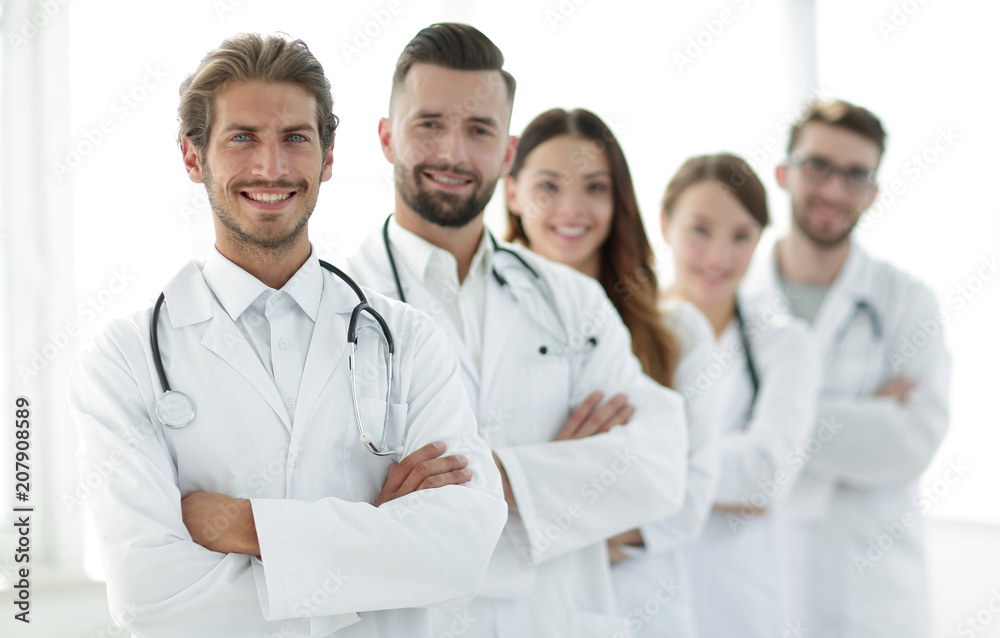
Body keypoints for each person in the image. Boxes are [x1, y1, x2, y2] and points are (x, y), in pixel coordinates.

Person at [68, 33, 507, 638]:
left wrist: (245, 526)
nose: (270, 168)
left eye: (295, 138)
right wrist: (376, 543)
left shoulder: (409, 340)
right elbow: (147, 593)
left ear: (328, 157)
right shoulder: (122, 359)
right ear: (194, 158)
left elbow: (462, 547)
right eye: (242, 137)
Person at [346, 23, 689, 637]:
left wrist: (486, 477)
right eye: (429, 124)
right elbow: (333, 497)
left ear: (506, 154)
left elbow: (660, 463)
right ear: (386, 137)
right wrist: (559, 472)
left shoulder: (571, 300)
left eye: (478, 130)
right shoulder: (335, 302)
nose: (453, 152)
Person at [503, 107, 720, 637]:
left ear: (618, 199)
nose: (572, 208)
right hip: (516, 611)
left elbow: (686, 501)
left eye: (595, 188)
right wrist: (588, 478)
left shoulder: (677, 332)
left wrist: (535, 491)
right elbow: (458, 499)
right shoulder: (478, 322)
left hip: (644, 609)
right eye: (548, 186)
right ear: (511, 192)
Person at [742, 99, 951, 637]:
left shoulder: (907, 301)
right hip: (753, 584)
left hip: (874, 602)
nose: (835, 190)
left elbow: (913, 441)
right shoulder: (736, 294)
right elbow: (701, 434)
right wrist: (866, 416)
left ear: (874, 192)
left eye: (856, 175)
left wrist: (766, 420)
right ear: (784, 173)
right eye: (819, 167)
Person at [659, 154, 820, 637]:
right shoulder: (622, 334)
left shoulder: (785, 344)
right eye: (700, 230)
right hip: (635, 600)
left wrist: (645, 465)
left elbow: (765, 476)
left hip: (737, 612)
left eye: (741, 236)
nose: (718, 256)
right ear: (666, 224)